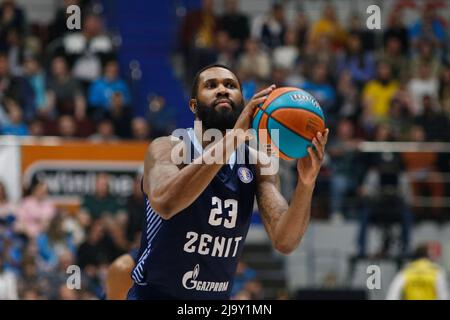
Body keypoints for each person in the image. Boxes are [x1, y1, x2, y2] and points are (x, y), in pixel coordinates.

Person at [125, 64, 328, 300]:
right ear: (193, 105)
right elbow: (165, 203)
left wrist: (306, 183)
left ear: (242, 102)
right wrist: (234, 137)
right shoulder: (169, 148)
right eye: (211, 85)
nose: (222, 90)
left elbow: (285, 240)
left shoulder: (259, 164)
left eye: (230, 86)